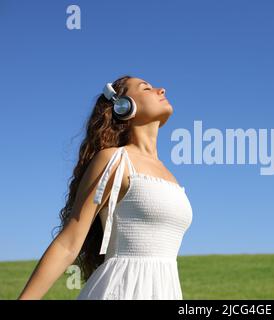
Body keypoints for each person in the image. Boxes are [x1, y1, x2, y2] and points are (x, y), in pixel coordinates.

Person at [18, 75, 193, 299]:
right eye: (146, 88)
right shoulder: (114, 160)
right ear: (123, 105)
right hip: (121, 290)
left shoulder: (170, 176)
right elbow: (69, 243)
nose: (161, 89)